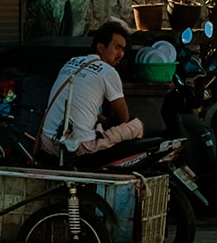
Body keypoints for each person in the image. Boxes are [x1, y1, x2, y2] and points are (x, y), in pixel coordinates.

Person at [38, 20, 145, 163]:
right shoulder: (108, 72)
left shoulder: (71, 61)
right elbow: (122, 117)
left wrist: (102, 121)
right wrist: (107, 125)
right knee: (137, 125)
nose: (121, 54)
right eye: (117, 47)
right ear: (100, 47)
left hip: (48, 142)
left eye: (123, 49)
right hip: (77, 148)